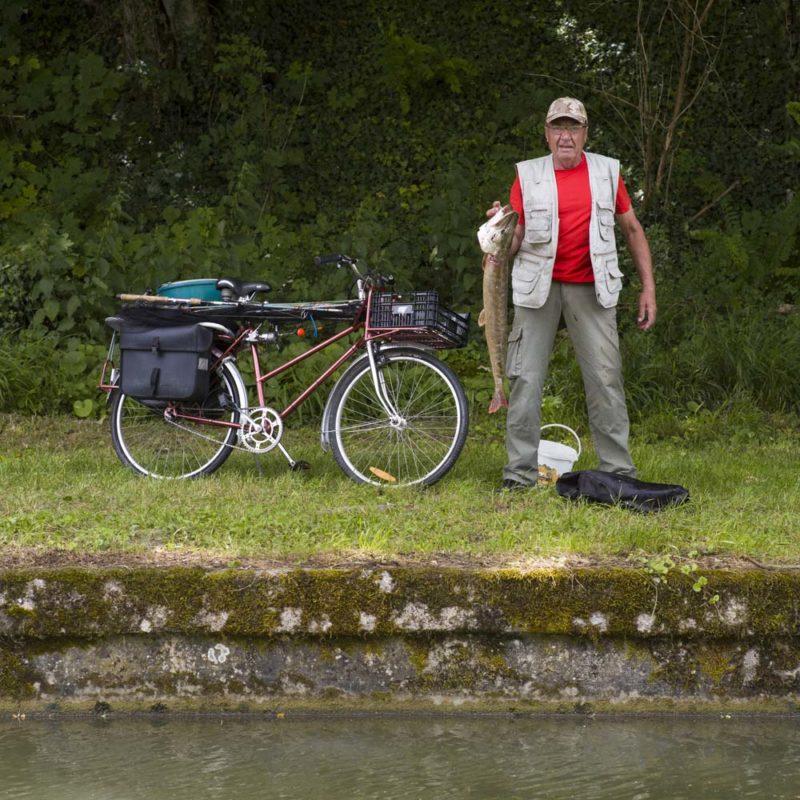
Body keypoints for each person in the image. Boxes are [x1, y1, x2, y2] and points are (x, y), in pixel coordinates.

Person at [487, 97, 656, 490]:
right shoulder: (527, 176)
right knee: (525, 380)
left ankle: (618, 474)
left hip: (591, 289)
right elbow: (514, 242)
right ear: (547, 134)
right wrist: (499, 229)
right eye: (558, 128)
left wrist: (648, 287)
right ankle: (519, 474)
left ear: (585, 133)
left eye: (573, 128)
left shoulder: (607, 172)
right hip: (537, 290)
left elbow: (631, 229)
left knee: (605, 378)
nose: (566, 136)